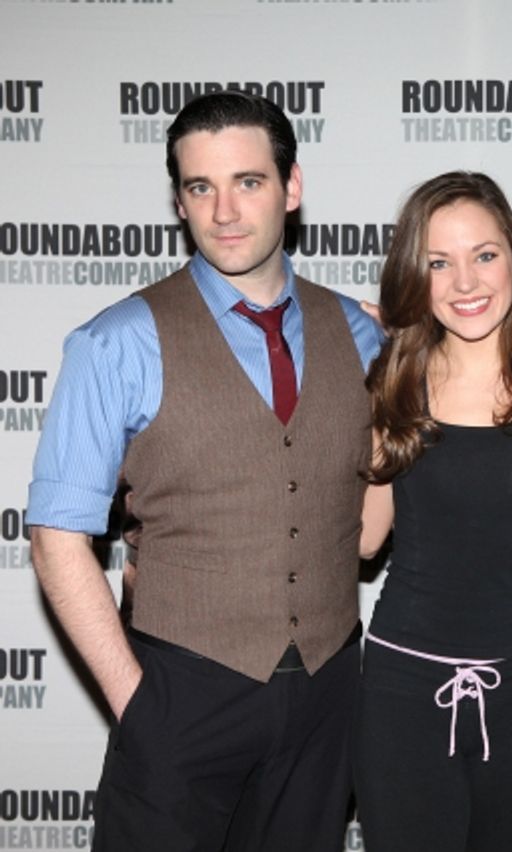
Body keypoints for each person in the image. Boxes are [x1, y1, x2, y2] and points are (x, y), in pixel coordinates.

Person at [27, 91, 382, 851]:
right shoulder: (115, 343)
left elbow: (378, 522)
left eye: (248, 182)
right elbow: (59, 538)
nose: (224, 210)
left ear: (291, 188)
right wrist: (137, 704)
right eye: (199, 187)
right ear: (178, 201)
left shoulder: (359, 334)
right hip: (181, 692)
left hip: (327, 697)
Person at [354, 171, 512, 851]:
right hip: (403, 687)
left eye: (484, 255)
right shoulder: (392, 382)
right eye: (438, 263)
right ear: (414, 276)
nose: (465, 282)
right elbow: (366, 541)